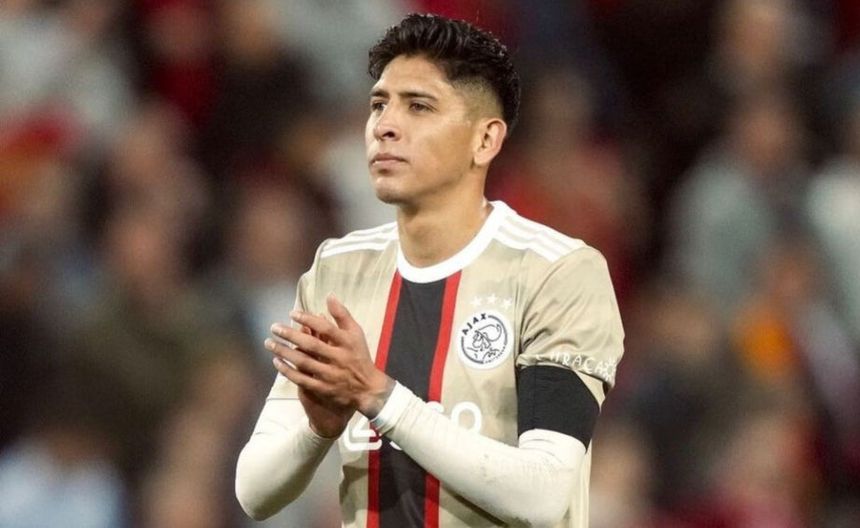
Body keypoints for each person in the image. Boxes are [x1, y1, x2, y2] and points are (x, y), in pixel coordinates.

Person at [235, 13, 624, 528]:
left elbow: (543, 495)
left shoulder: (557, 272)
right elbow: (254, 491)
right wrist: (317, 429)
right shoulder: (338, 271)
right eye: (379, 104)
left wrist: (379, 397)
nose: (385, 125)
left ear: (485, 140)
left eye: (418, 106)